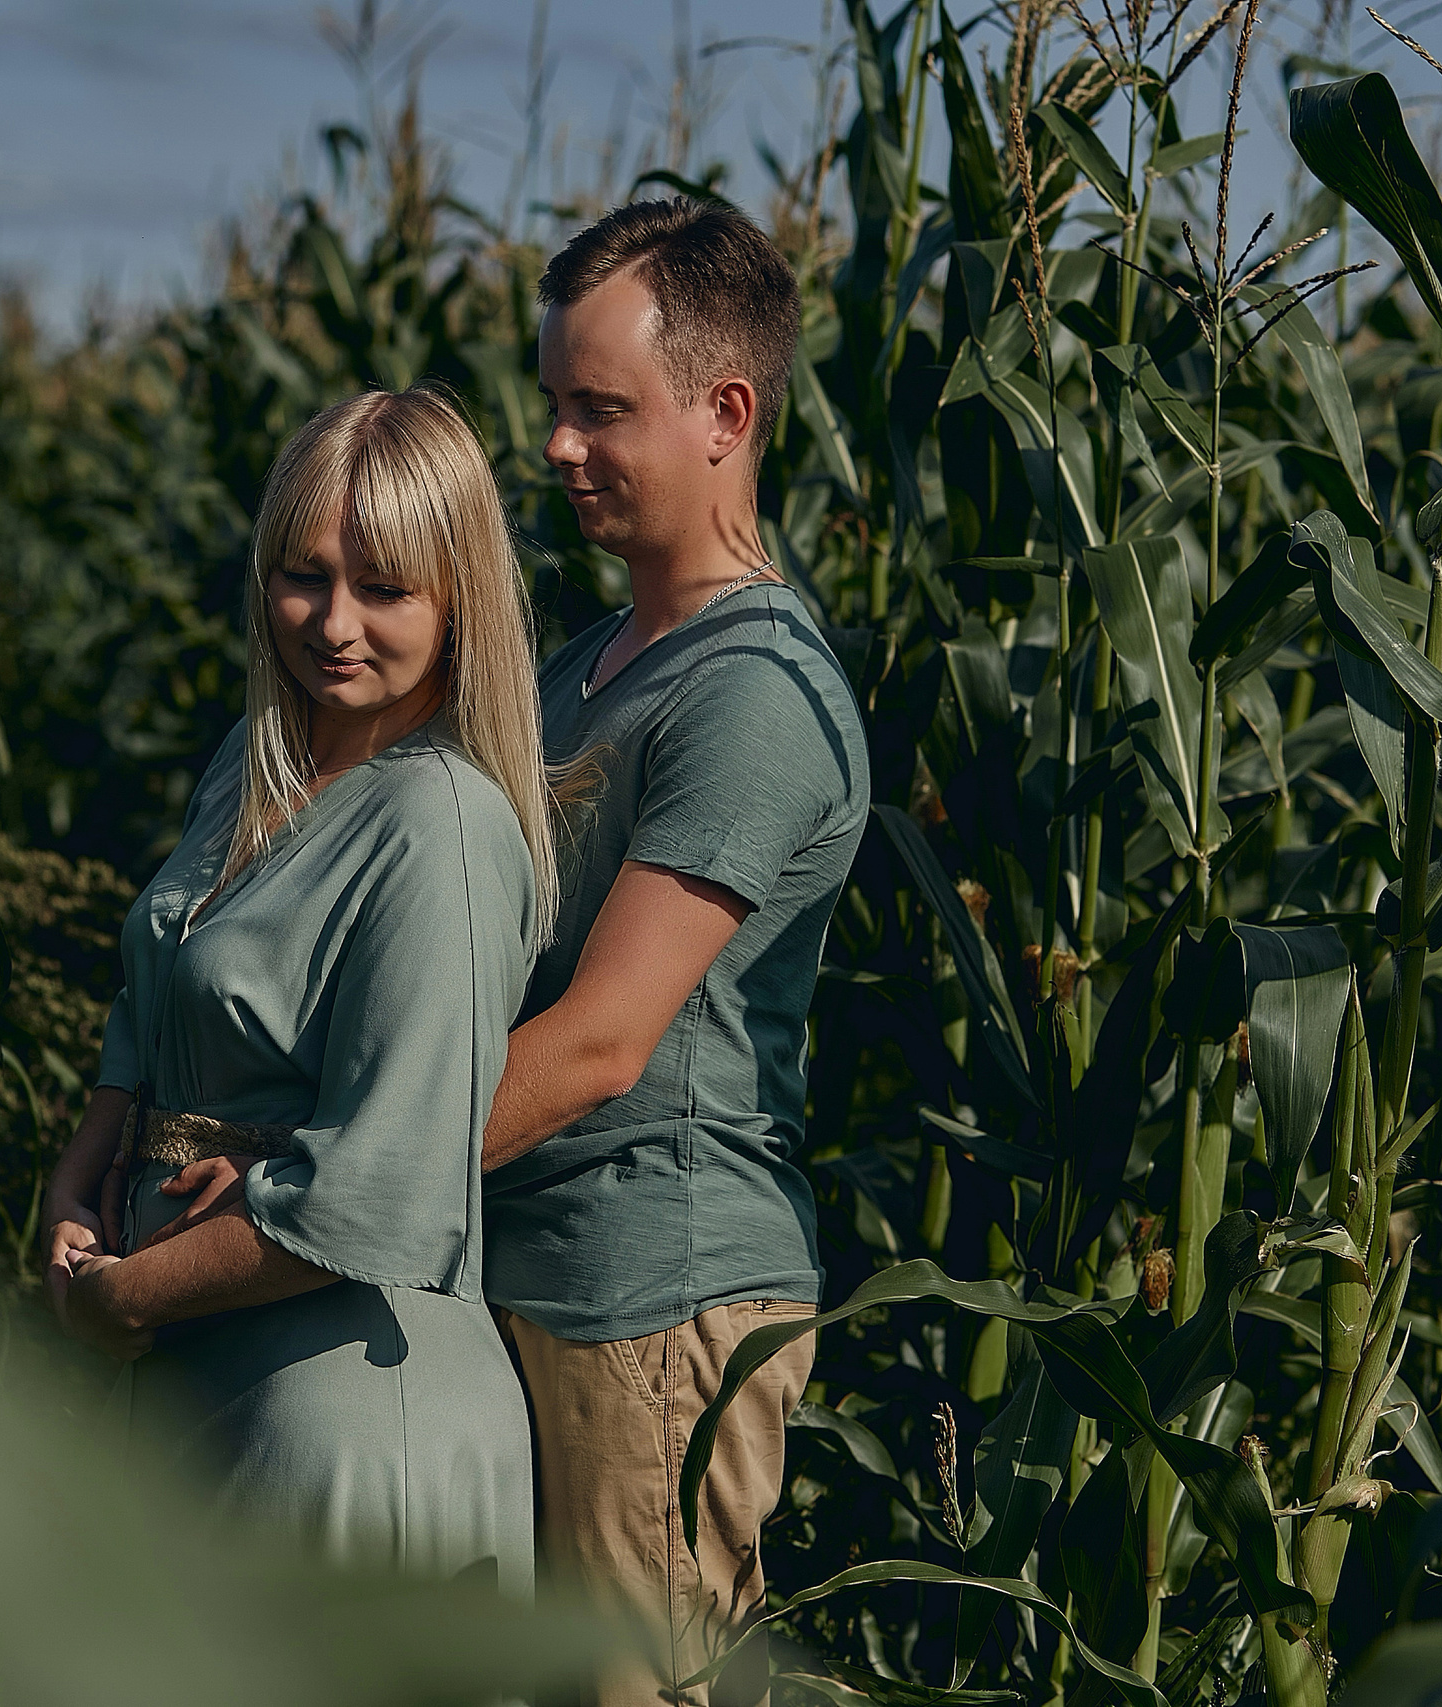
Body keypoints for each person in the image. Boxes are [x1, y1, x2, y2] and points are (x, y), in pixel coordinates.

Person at [39, 385, 553, 1589]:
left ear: (457, 594)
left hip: (340, 1408)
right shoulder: (250, 762)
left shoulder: (443, 823)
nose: (332, 622)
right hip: (198, 1371)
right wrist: (79, 1177)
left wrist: (124, 1301)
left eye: (384, 587)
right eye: (301, 574)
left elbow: (385, 1188)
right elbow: (156, 989)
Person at [483, 198, 871, 1706]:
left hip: (650, 1298)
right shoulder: (592, 663)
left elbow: (600, 1039)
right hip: (537, 1269)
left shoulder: (753, 692)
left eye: (600, 410)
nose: (560, 448)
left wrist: (335, 1170)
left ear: (727, 412)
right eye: (555, 408)